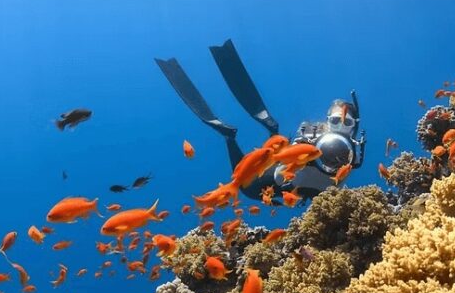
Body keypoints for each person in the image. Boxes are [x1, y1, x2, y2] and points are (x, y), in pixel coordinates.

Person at [155, 39, 365, 201]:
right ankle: (236, 135)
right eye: (335, 120)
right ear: (327, 121)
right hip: (277, 180)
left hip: (310, 193)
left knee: (246, 186)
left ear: (354, 127)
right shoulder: (313, 135)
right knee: (244, 185)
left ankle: (245, 133)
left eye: (347, 123)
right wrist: (298, 153)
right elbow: (285, 164)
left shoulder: (353, 151)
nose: (340, 125)